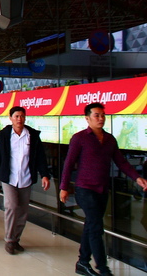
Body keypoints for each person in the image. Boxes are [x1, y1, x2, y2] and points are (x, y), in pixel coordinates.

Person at [59, 103, 147, 276]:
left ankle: (82, 262)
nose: (101, 118)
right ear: (87, 118)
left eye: (102, 115)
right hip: (85, 189)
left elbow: (121, 162)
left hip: (102, 190)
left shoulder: (109, 139)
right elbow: (68, 164)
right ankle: (103, 268)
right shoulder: (79, 138)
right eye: (97, 115)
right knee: (96, 227)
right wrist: (64, 187)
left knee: (91, 225)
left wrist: (137, 178)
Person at [0, 106, 50, 255]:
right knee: (12, 206)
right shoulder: (3, 135)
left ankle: (16, 239)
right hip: (9, 177)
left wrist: (44, 175)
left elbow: (40, 157)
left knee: (22, 210)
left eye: (22, 116)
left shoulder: (32, 135)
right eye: (16, 116)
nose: (19, 119)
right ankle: (9, 240)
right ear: (10, 118)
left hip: (26, 177)